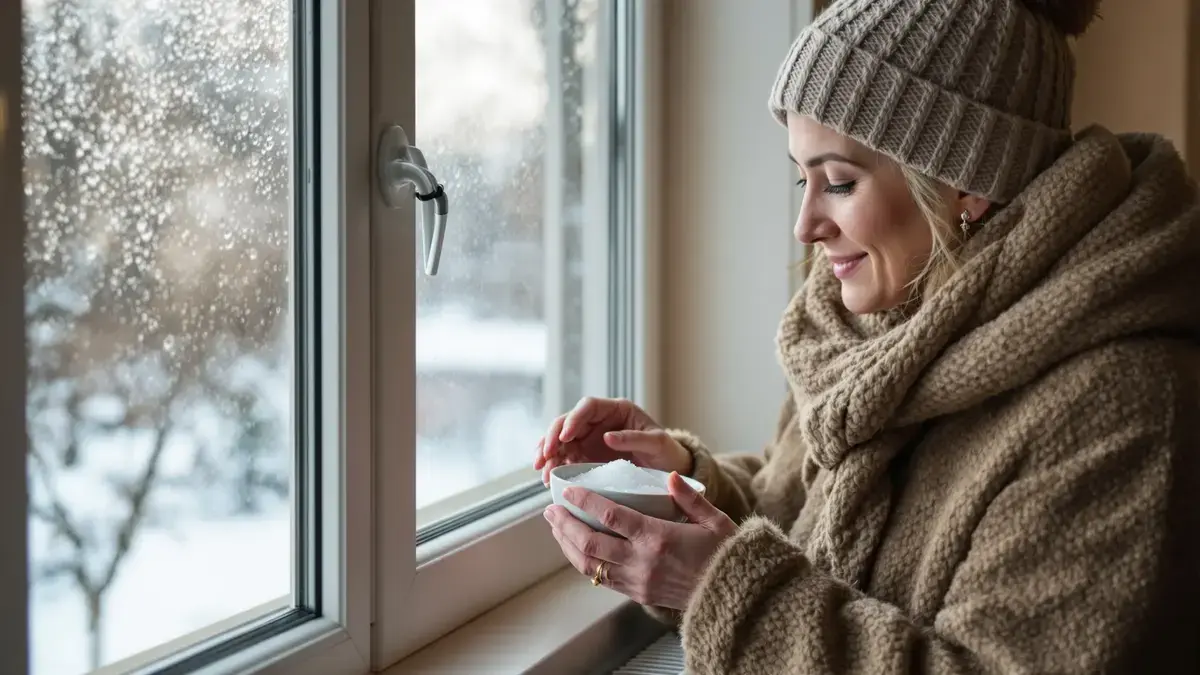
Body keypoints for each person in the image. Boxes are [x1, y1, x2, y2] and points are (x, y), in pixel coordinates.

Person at [534, 0, 1200, 671]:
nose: (805, 225)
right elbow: (796, 513)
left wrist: (720, 589)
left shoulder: (1121, 402)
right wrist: (679, 486)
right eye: (803, 177)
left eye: (841, 182)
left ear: (966, 181)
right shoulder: (879, 328)